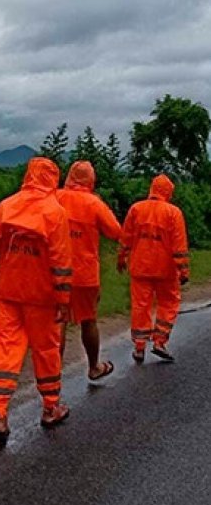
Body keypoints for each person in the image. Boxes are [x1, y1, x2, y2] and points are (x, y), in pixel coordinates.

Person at [0, 157, 73, 449]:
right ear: (52, 179)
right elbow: (60, 261)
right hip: (42, 297)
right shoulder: (55, 212)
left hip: (9, 292)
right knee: (46, 351)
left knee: (5, 351)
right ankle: (50, 408)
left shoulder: (7, 206)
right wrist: (63, 299)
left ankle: (0, 416)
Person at [55, 161, 122, 380]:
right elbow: (115, 231)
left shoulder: (54, 197)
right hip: (85, 274)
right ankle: (94, 367)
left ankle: (52, 374)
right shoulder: (94, 204)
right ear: (91, 179)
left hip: (56, 271)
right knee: (89, 320)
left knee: (58, 321)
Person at [118, 174, 189, 363]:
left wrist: (121, 257)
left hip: (140, 266)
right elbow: (179, 246)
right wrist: (183, 270)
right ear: (168, 192)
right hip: (165, 270)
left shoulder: (136, 209)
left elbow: (126, 236)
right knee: (169, 303)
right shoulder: (173, 213)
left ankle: (139, 347)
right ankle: (159, 341)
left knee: (141, 306)